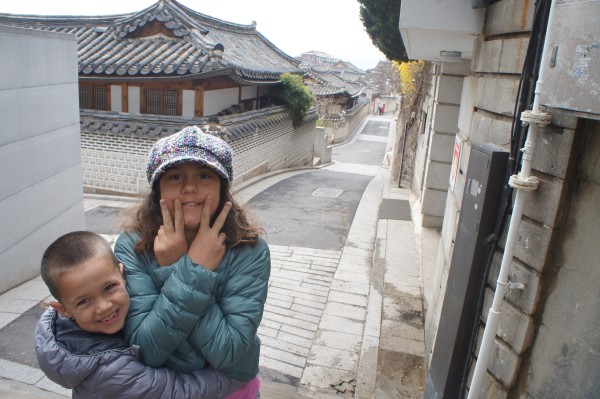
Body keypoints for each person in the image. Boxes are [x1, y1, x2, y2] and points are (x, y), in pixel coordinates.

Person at [115, 126, 270, 398]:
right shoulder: (133, 245)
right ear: (158, 190)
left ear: (223, 187)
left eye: (203, 175)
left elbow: (230, 352)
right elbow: (145, 350)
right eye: (175, 176)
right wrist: (190, 271)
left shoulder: (249, 249)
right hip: (158, 388)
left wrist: (178, 266)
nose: (189, 187)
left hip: (231, 390)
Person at [36, 230, 243, 398]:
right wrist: (235, 376)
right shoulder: (107, 370)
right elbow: (179, 392)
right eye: (84, 301)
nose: (104, 306)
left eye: (109, 287)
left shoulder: (85, 330)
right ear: (63, 310)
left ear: (122, 274)